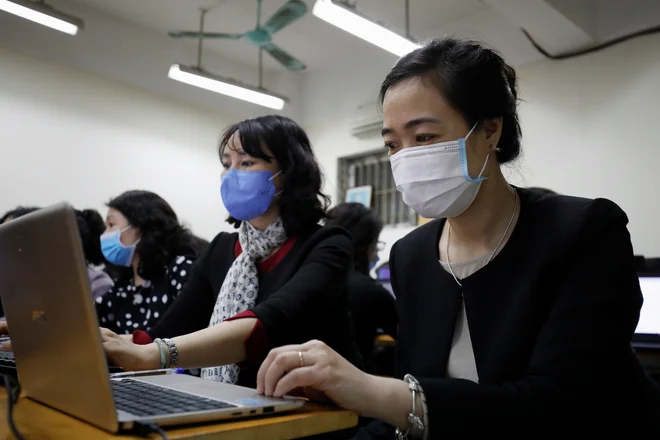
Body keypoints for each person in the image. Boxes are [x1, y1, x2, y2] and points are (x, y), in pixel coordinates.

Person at [254, 38, 660, 436]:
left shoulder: (583, 232)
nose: (405, 158)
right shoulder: (411, 255)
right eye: (393, 144)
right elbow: (415, 406)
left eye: (424, 137)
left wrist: (369, 389)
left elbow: (559, 404)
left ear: (489, 132)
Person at [100, 115, 361, 390]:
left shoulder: (328, 243)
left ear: (288, 172)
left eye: (247, 163)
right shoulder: (221, 249)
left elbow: (270, 322)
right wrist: (107, 342)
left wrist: (157, 354)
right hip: (240, 404)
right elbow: (165, 333)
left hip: (316, 408)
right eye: (227, 164)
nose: (231, 174)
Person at [95, 190, 198, 334]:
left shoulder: (180, 269)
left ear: (141, 227)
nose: (105, 234)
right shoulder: (122, 285)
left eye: (112, 225)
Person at [326, 203, 397, 372]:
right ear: (365, 246)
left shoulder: (306, 279)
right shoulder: (371, 292)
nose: (377, 254)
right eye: (375, 246)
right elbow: (411, 338)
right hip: (352, 385)